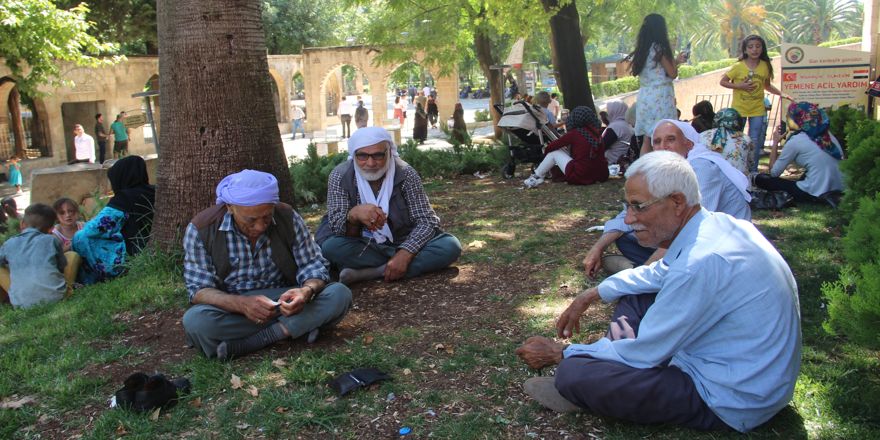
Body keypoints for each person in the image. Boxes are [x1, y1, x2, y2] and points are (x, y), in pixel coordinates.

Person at [515, 151, 801, 433]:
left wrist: (561, 353)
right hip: (742, 370)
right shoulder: (718, 225)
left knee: (572, 374)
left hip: (730, 397)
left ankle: (599, 376)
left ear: (676, 202)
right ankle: (609, 360)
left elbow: (646, 351)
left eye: (638, 206)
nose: (628, 219)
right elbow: (660, 272)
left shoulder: (699, 264)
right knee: (635, 291)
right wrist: (592, 294)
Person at [182, 170, 352, 360]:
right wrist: (242, 305)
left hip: (284, 300)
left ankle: (256, 340)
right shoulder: (202, 228)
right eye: (251, 220)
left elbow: (313, 264)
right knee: (196, 321)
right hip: (234, 307)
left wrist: (305, 292)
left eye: (266, 217)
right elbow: (199, 290)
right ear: (230, 207)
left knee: (339, 294)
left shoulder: (286, 217)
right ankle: (300, 326)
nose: (260, 226)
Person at [582, 119, 751, 276]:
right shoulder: (665, 171)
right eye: (657, 141)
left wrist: (641, 278)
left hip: (722, 248)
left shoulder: (703, 168)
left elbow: (694, 229)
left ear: (689, 144)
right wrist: (597, 248)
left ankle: (647, 273)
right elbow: (630, 215)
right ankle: (654, 271)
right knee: (628, 235)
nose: (663, 147)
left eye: (671, 139)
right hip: (688, 241)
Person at [315, 127, 462, 285]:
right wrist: (354, 215)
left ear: (389, 152)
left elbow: (427, 220)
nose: (371, 163)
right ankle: (391, 267)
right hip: (363, 245)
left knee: (449, 246)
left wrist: (405, 253)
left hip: (403, 240)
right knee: (331, 248)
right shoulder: (340, 176)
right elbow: (337, 228)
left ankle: (373, 272)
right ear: (353, 155)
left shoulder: (405, 173)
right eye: (362, 156)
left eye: (378, 155)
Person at [73, 156, 155, 284]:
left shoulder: (124, 198)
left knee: (80, 237)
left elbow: (94, 229)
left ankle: (91, 280)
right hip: (152, 246)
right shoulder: (154, 191)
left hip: (133, 253)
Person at [720, 35, 793, 173]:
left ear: (762, 48)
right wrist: (740, 86)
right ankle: (735, 169)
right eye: (751, 47)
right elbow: (723, 82)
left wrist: (781, 93)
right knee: (736, 138)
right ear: (745, 50)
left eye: (758, 46)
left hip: (757, 109)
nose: (754, 49)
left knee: (755, 140)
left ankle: (753, 171)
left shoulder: (765, 66)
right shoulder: (738, 67)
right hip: (739, 109)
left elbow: (767, 85)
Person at [755, 102, 844, 204]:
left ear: (797, 119)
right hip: (839, 188)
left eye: (789, 116)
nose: (787, 119)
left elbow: (774, 172)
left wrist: (775, 143)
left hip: (814, 193)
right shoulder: (827, 134)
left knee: (761, 179)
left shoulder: (796, 141)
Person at [627, 14, 688, 157]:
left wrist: (676, 61)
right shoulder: (660, 49)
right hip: (661, 97)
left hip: (645, 97)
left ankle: (646, 173)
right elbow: (672, 73)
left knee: (648, 140)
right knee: (665, 135)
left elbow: (654, 71)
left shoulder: (642, 50)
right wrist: (676, 62)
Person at [0, 204, 68, 308]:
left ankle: (13, 296)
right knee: (72, 256)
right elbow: (62, 267)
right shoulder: (52, 240)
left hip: (21, 304)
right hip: (56, 297)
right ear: (51, 229)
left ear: (22, 224)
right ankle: (70, 286)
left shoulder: (9, 244)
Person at [523, 106, 609, 188]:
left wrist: (545, 155)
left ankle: (537, 175)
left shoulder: (575, 133)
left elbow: (552, 146)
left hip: (581, 175)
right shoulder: (596, 133)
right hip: (601, 174)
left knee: (554, 153)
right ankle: (538, 175)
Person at [700, 108, 754, 175]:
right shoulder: (745, 139)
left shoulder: (702, 135)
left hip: (709, 179)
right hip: (738, 182)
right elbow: (750, 163)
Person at [602, 101, 634, 166]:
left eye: (609, 110)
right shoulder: (628, 124)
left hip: (613, 163)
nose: (608, 113)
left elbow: (602, 146)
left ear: (613, 111)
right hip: (625, 161)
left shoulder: (615, 127)